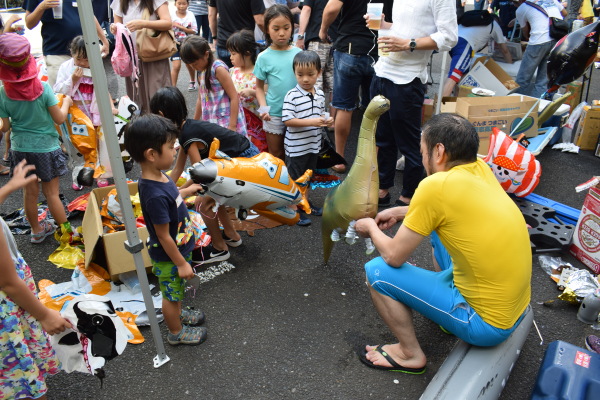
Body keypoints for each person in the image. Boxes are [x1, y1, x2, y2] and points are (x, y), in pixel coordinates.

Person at [354, 113, 531, 373]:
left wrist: (369, 226)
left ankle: (409, 354)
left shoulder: (435, 185)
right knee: (439, 230)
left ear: (438, 151)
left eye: (422, 151)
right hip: (513, 306)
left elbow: (393, 256)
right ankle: (448, 315)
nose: (422, 158)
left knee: (377, 272)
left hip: (487, 324)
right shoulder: (481, 168)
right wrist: (399, 212)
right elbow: (448, 209)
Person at [123, 114, 208, 346]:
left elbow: (174, 199)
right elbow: (162, 235)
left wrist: (188, 190)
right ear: (152, 154)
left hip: (179, 248)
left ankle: (179, 315)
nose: (175, 150)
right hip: (170, 256)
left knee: (177, 291)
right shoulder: (154, 194)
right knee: (171, 297)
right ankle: (176, 332)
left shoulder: (160, 177)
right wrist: (180, 263)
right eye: (171, 147)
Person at [150, 86, 259, 264]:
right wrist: (166, 190)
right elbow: (178, 169)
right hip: (240, 160)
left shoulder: (188, 135)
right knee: (213, 195)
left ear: (161, 115)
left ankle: (219, 248)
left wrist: (177, 195)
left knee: (203, 202)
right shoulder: (186, 129)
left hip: (246, 164)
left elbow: (201, 173)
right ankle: (231, 235)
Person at [367, 0, 457, 208]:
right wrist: (383, 25)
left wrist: (410, 44)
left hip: (408, 80)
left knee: (409, 144)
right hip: (382, 72)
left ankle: (409, 194)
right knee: (383, 139)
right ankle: (383, 188)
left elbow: (449, 37)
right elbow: (405, 28)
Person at [0, 160, 73, 400]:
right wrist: (44, 314)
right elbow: (7, 282)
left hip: (12, 298)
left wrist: (9, 188)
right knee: (23, 381)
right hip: (8, 305)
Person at [0, 33, 74, 243]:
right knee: (52, 193)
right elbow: (59, 119)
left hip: (20, 148)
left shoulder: (2, 93)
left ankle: (36, 231)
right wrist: (66, 102)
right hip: (46, 148)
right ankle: (67, 233)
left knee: (29, 193)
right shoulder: (43, 88)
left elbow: (5, 126)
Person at [319, 0, 381, 174]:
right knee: (374, 109)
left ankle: (339, 159)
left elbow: (332, 7)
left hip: (349, 47)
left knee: (344, 107)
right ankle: (370, 160)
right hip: (378, 50)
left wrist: (323, 29)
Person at [54, 35, 119, 190]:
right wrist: (73, 79)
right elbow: (59, 91)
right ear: (72, 53)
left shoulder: (97, 68)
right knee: (79, 146)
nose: (83, 63)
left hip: (94, 112)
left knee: (98, 144)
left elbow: (104, 90)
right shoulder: (66, 68)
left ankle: (99, 173)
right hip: (76, 115)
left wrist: (110, 106)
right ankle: (79, 175)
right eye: (79, 59)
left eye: (87, 60)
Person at [282, 50, 332, 226]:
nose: (305, 79)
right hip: (296, 148)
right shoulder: (292, 95)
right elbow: (287, 120)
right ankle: (293, 209)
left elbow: (320, 115)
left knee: (308, 177)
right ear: (294, 73)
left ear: (318, 73)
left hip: (313, 145)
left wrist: (327, 121)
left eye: (310, 74)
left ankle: (305, 203)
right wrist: (312, 121)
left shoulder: (319, 94)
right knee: (296, 179)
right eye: (300, 74)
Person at [254, 4, 303, 160]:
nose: (282, 33)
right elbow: (259, 87)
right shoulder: (263, 57)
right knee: (276, 154)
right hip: (274, 113)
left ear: (292, 28)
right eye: (276, 29)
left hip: (298, 112)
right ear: (267, 29)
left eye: (286, 28)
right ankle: (279, 184)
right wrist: (263, 109)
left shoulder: (299, 53)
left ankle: (296, 183)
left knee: (297, 153)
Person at [25, 0, 110, 87]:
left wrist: (104, 40)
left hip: (84, 52)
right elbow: (29, 23)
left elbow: (89, 15)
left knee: (89, 92)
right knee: (60, 93)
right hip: (57, 53)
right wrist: (42, 6)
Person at [109, 0, 172, 114]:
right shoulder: (120, 2)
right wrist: (114, 28)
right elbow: (117, 24)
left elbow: (167, 23)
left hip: (154, 54)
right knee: (137, 99)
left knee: (158, 96)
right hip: (132, 58)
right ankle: (143, 128)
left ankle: (163, 128)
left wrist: (143, 23)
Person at [180, 35, 247, 136]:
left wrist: (232, 126)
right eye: (190, 65)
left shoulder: (218, 69)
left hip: (227, 120)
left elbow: (234, 97)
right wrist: (194, 122)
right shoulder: (201, 71)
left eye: (195, 64)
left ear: (206, 54)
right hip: (213, 120)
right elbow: (200, 99)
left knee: (232, 150)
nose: (193, 67)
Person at [442, 12, 513, 97]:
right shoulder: (494, 25)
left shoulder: (477, 21)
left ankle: (457, 102)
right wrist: (511, 67)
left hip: (454, 40)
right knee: (454, 76)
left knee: (462, 76)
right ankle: (438, 106)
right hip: (464, 44)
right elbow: (505, 50)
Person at [296, 0, 340, 123]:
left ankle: (316, 120)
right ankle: (331, 121)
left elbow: (306, 9)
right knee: (333, 83)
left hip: (317, 38)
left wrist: (300, 36)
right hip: (336, 39)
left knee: (314, 79)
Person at [514, 0, 567, 98]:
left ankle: (518, 106)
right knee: (543, 82)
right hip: (556, 40)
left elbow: (525, 33)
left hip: (538, 41)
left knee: (523, 79)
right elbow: (565, 13)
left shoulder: (522, 8)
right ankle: (537, 108)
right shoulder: (552, 0)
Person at [227, 29, 268, 152]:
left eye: (234, 54)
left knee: (258, 151)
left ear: (248, 53)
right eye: (230, 53)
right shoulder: (232, 72)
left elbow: (267, 97)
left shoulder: (259, 72)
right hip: (239, 121)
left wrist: (253, 93)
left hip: (258, 123)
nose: (230, 57)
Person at [208, 0, 265, 67]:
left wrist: (214, 36)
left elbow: (211, 15)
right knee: (246, 75)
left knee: (224, 74)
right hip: (244, 44)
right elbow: (260, 21)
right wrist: (269, 37)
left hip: (223, 41)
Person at [170, 0, 198, 90]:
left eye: (184, 3)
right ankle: (173, 88)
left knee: (189, 64)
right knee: (176, 66)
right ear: (175, 4)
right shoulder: (171, 15)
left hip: (188, 43)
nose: (181, 6)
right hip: (175, 44)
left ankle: (193, 81)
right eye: (179, 3)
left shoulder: (191, 14)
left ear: (188, 4)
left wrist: (180, 27)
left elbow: (194, 30)